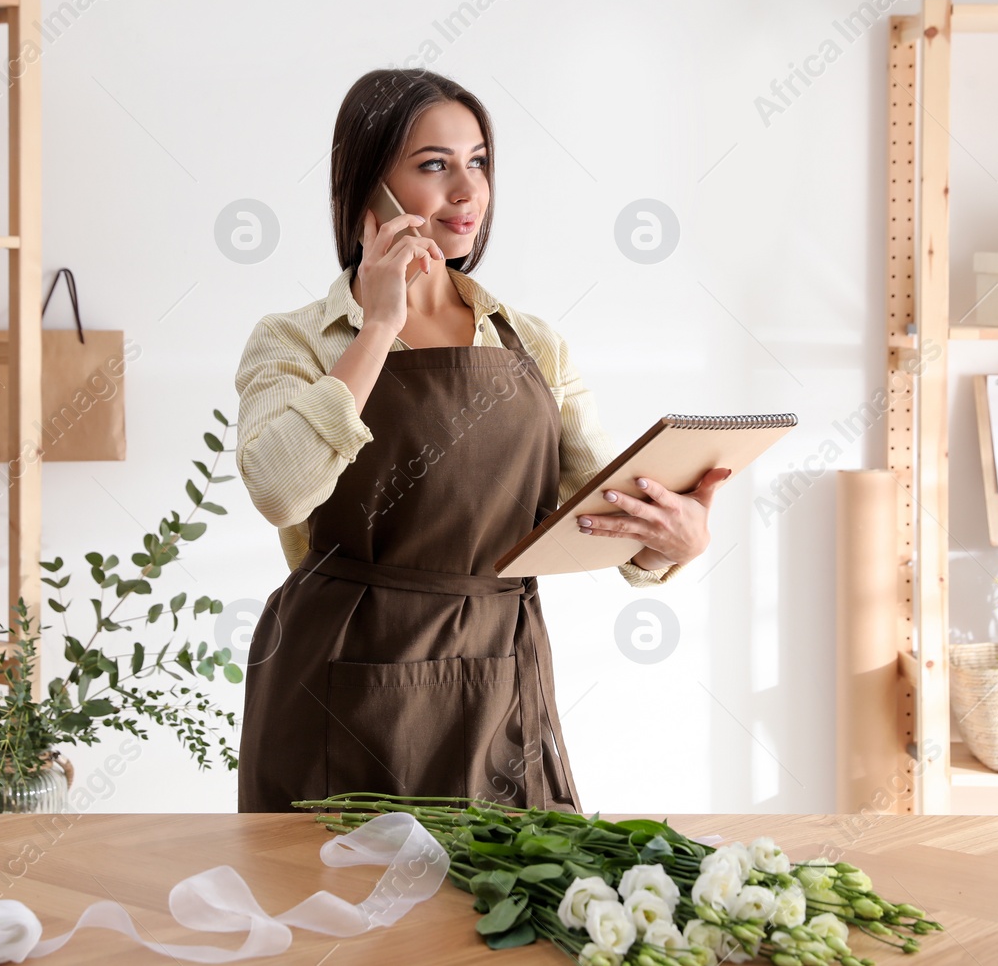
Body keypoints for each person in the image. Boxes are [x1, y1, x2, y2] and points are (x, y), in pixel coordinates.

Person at [232, 68, 729, 814]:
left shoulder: (532, 342)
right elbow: (278, 490)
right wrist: (379, 327)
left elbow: (601, 510)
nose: (468, 191)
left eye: (479, 162)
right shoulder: (297, 339)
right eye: (435, 165)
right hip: (341, 682)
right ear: (369, 187)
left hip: (501, 677)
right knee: (340, 914)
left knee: (503, 918)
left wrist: (672, 540)